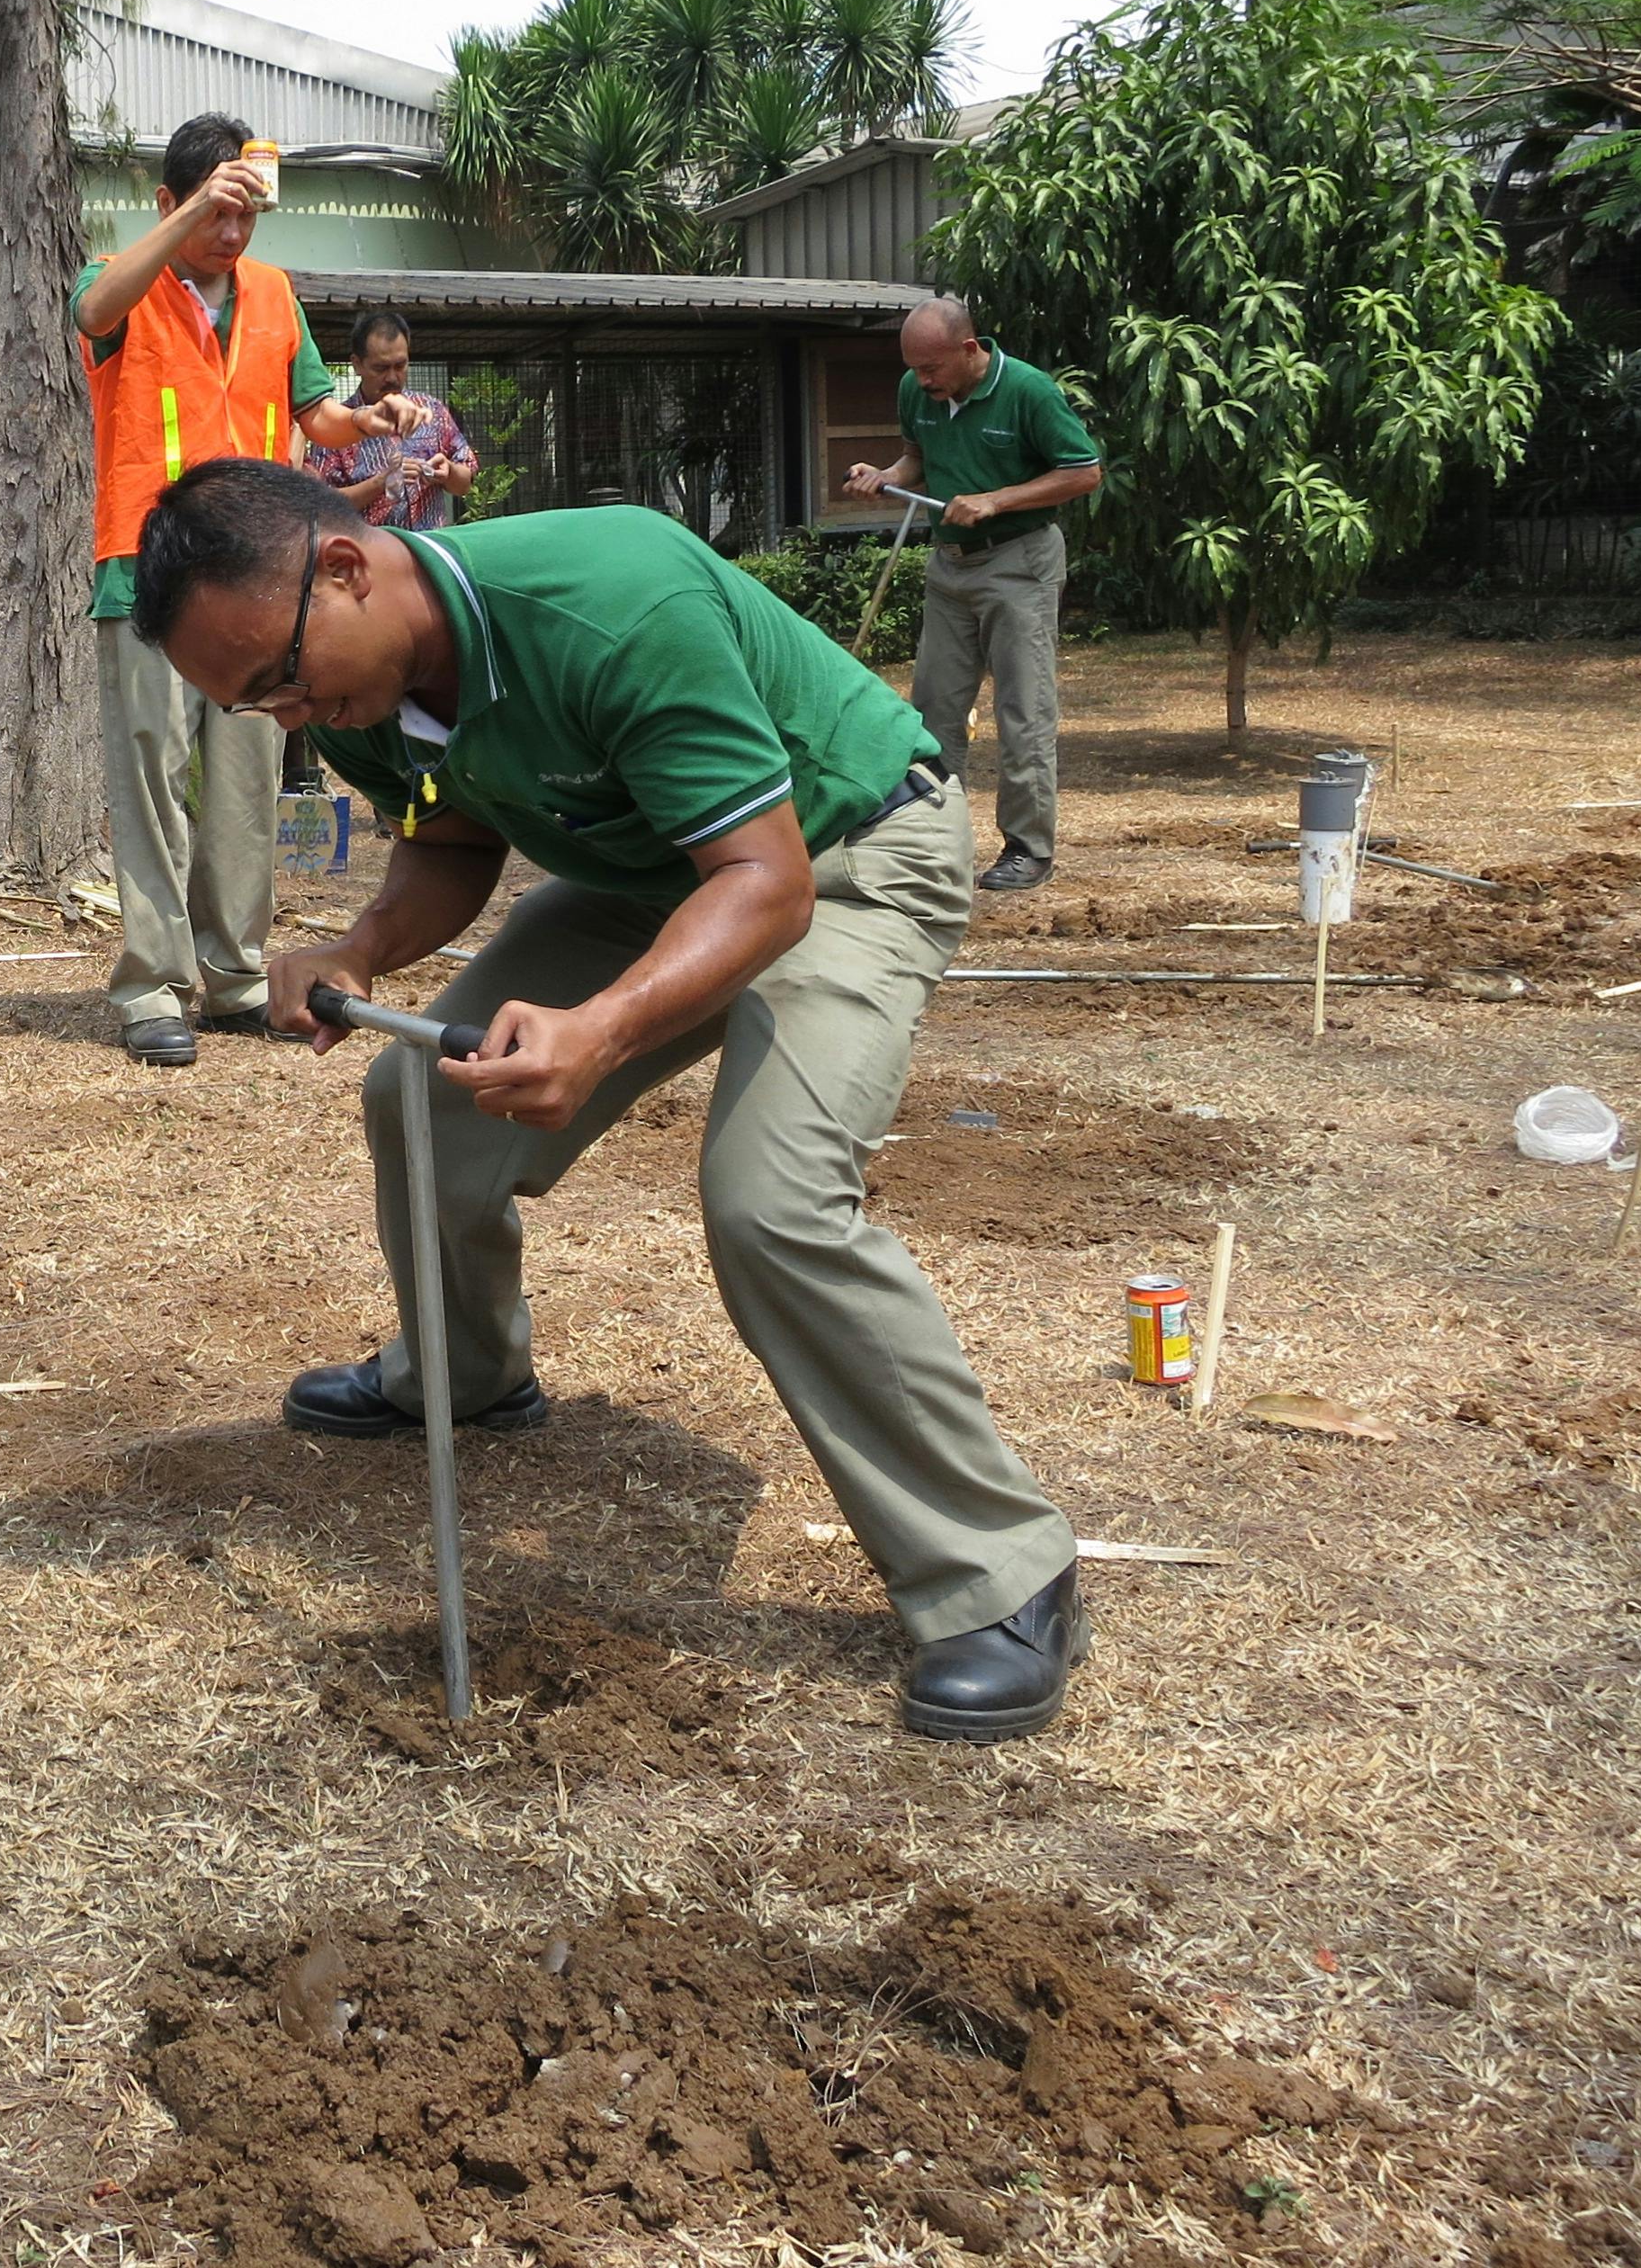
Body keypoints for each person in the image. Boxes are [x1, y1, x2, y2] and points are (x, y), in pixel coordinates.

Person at [128, 459, 1090, 1742]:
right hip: (650, 866)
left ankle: (1004, 1574)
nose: (285, 715)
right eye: (252, 703)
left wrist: (602, 1029)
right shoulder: (349, 681)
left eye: (277, 681)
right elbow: (455, 836)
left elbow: (766, 883)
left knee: (771, 1201)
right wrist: (360, 952)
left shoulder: (609, 597)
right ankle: (465, 1377)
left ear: (348, 566)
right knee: (420, 1095)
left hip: (839, 854)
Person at [76, 113, 426, 1066]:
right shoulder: (127, 278)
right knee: (149, 777)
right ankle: (150, 983)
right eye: (217, 213)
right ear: (171, 202)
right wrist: (189, 210)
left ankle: (230, 973)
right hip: (142, 568)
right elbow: (91, 311)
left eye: (247, 217)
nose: (233, 237)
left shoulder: (272, 293)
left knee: (240, 781)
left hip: (262, 579)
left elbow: (315, 409)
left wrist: (367, 417)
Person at [844, 295, 1103, 893]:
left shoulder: (1030, 391)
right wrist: (886, 478)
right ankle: (933, 844)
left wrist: (997, 499)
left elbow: (1084, 471)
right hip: (949, 566)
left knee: (1023, 711)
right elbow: (917, 457)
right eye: (914, 369)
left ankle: (1028, 849)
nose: (922, 380)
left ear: (969, 349)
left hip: (1019, 563)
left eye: (932, 368)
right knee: (933, 712)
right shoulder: (919, 391)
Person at [299, 309, 478, 530]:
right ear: (357, 364)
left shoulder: (432, 411)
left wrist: (448, 471)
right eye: (381, 368)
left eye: (400, 366)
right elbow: (323, 504)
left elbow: (464, 483)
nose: (392, 377)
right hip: (371, 557)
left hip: (429, 550)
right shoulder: (337, 424)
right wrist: (382, 482)